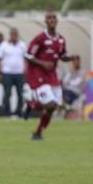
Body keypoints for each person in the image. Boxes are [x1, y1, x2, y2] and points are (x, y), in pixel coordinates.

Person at [24, 11, 73, 139]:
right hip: (38, 74)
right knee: (50, 104)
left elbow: (62, 54)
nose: (51, 20)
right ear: (45, 21)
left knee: (53, 107)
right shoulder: (40, 38)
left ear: (56, 21)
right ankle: (33, 104)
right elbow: (28, 55)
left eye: (53, 18)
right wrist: (43, 63)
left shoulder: (61, 39)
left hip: (52, 75)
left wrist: (67, 58)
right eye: (49, 18)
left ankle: (38, 132)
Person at [0, 28, 26, 118]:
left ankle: (18, 113)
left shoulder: (22, 45)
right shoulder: (4, 45)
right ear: (10, 35)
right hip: (7, 73)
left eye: (15, 34)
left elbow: (26, 59)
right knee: (7, 94)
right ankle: (6, 113)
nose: (14, 36)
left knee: (20, 94)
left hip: (19, 73)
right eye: (12, 34)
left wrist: (26, 70)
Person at [60, 55, 86, 119]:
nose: (75, 63)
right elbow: (64, 82)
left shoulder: (82, 72)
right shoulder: (69, 72)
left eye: (77, 61)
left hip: (76, 93)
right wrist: (71, 72)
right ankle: (64, 109)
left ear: (79, 62)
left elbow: (76, 82)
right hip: (67, 91)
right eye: (74, 61)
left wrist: (68, 84)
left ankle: (66, 107)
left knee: (67, 95)